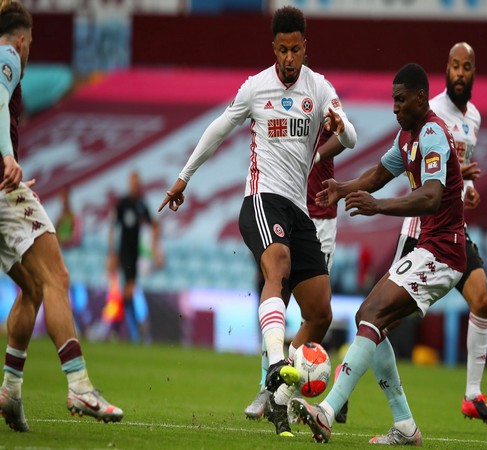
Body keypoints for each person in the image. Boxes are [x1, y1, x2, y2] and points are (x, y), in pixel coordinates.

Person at [159, 6, 356, 437]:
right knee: (278, 267)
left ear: (306, 46)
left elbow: (352, 137)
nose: (289, 58)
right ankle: (277, 369)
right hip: (262, 199)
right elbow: (218, 128)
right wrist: (183, 178)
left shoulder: (319, 88)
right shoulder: (255, 87)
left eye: (295, 49)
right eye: (282, 50)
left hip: (299, 210)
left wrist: (338, 125)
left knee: (320, 311)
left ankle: (279, 396)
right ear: (274, 48)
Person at [291, 63, 465, 445]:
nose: (395, 108)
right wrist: (340, 188)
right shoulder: (407, 137)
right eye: (392, 101)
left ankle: (327, 410)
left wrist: (378, 206)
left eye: (401, 101)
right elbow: (377, 174)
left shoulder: (433, 133)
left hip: (444, 252)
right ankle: (404, 424)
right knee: (368, 317)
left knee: (370, 314)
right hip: (429, 249)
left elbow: (432, 196)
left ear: (421, 97)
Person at [0, 1, 122, 432]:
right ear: (21, 39)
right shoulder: (7, 55)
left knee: (32, 288)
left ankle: (11, 391)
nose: (28, 53)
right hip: (2, 186)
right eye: (29, 44)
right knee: (56, 278)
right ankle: (80, 386)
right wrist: (8, 157)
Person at [392, 42, 487, 424]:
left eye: (466, 67)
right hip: (422, 228)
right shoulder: (430, 110)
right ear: (446, 69)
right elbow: (419, 169)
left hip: (454, 227)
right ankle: (345, 378)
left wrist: (468, 190)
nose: (459, 73)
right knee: (384, 317)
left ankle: (472, 395)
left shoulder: (475, 118)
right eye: (454, 66)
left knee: (482, 299)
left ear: (473, 72)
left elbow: (461, 172)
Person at [243, 130, 347, 423]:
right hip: (282, 208)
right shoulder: (281, 100)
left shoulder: (322, 96)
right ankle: (267, 386)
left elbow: (346, 136)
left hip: (319, 216)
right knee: (277, 295)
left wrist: (314, 153)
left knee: (312, 313)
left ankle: (283, 392)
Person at [108, 170, 162, 343]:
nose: (135, 186)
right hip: (123, 252)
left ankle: (126, 330)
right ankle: (135, 330)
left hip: (134, 253)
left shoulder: (141, 204)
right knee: (128, 289)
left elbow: (153, 223)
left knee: (128, 291)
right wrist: (112, 252)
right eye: (133, 183)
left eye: (137, 183)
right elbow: (113, 227)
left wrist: (154, 246)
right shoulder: (122, 203)